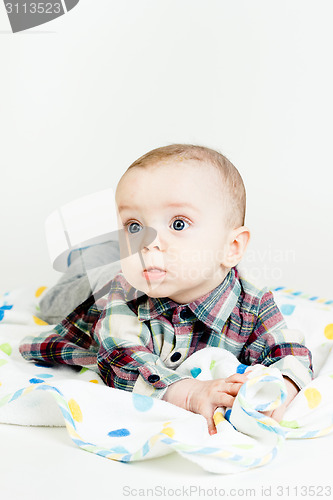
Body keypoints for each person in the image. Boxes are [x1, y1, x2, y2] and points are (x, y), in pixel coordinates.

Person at [19, 144, 313, 435]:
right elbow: (120, 359)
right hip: (94, 288)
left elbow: (288, 351)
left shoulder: (252, 302)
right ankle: (94, 253)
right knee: (52, 305)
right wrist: (189, 393)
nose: (148, 242)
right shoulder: (123, 296)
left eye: (178, 223)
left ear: (231, 247)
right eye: (134, 226)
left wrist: (283, 388)